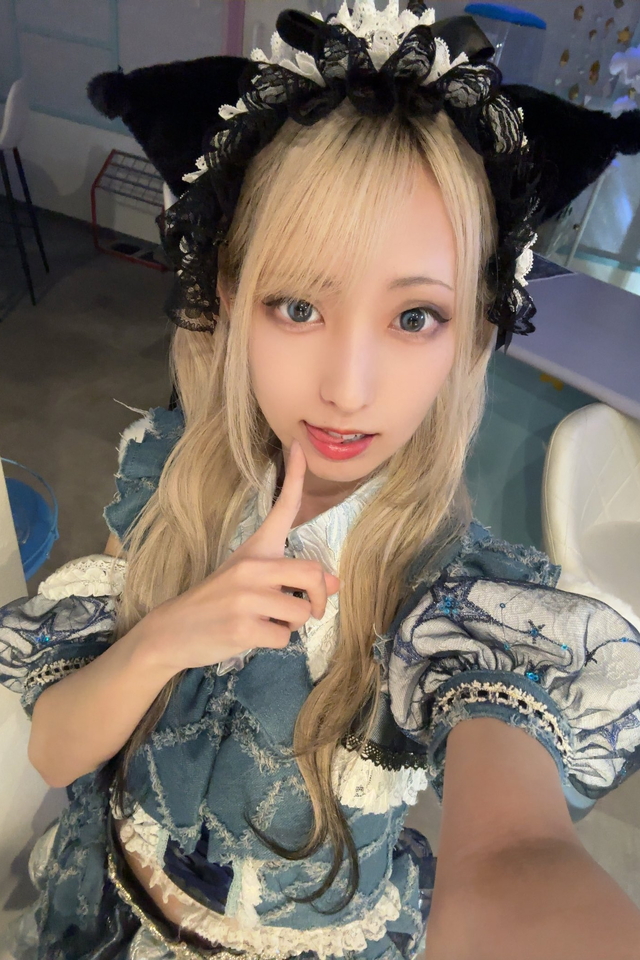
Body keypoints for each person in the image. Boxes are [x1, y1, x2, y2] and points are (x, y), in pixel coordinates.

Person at [2, 4, 640, 959]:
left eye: (414, 317)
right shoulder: (170, 476)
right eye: (298, 306)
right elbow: (54, 749)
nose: (347, 388)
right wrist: (171, 634)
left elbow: (517, 849)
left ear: (470, 332)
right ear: (229, 298)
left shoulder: (459, 602)